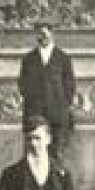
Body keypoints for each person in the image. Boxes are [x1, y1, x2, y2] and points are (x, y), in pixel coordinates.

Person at [17, 23, 77, 161]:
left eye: (44, 33)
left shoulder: (63, 58)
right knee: (33, 151)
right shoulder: (28, 59)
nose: (41, 37)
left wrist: (62, 104)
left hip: (57, 114)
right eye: (38, 34)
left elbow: (70, 85)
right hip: (34, 113)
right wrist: (32, 101)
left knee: (56, 152)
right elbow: (22, 83)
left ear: (51, 34)